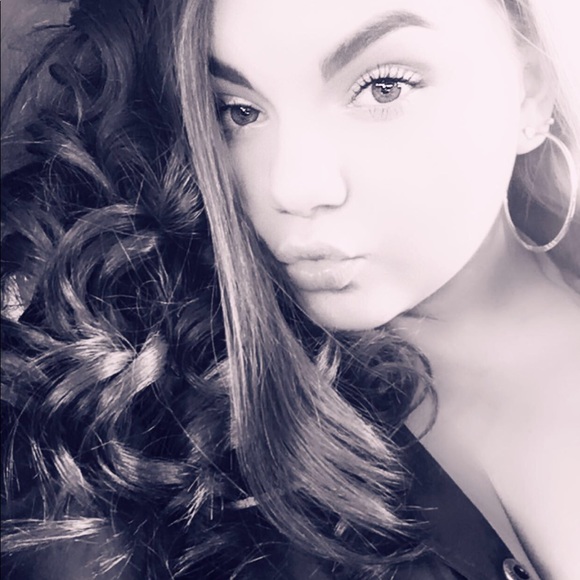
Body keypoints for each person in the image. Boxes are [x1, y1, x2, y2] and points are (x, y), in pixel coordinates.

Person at [1, 0, 579, 578]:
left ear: (531, 91)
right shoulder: (154, 432)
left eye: (383, 88)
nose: (294, 186)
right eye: (237, 112)